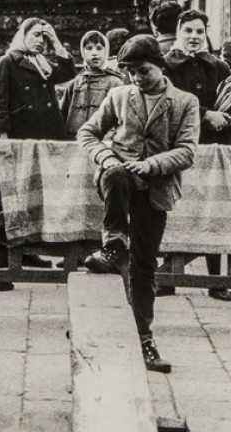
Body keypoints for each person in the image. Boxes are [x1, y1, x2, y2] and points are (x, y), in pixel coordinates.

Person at [77, 34, 199, 374]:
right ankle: (114, 244)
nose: (137, 78)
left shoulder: (185, 102)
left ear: (159, 66)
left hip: (156, 190)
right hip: (119, 183)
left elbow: (187, 150)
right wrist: (106, 158)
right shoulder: (118, 96)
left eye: (143, 71)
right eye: (130, 72)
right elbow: (87, 133)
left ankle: (144, 339)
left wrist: (151, 165)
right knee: (116, 175)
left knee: (144, 267)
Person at [163, 9, 231, 301]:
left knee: (213, 211)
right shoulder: (167, 66)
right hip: (179, 150)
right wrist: (205, 115)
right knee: (177, 210)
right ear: (178, 32)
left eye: (199, 31)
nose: (194, 37)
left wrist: (226, 119)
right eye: (188, 30)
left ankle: (216, 280)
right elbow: (166, 102)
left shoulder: (219, 67)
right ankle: (168, 276)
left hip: (213, 151)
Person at [0, 18, 75, 141]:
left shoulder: (42, 62)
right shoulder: (8, 62)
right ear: (24, 35)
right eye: (36, 35)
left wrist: (55, 41)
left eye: (45, 38)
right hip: (23, 133)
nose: (41, 41)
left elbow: (68, 73)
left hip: (51, 132)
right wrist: (1, 134)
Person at [58, 30, 121, 138]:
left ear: (106, 51)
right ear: (83, 52)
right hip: (74, 141)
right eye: (89, 48)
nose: (94, 53)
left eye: (99, 48)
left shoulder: (115, 83)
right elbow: (62, 116)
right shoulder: (75, 83)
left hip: (102, 141)